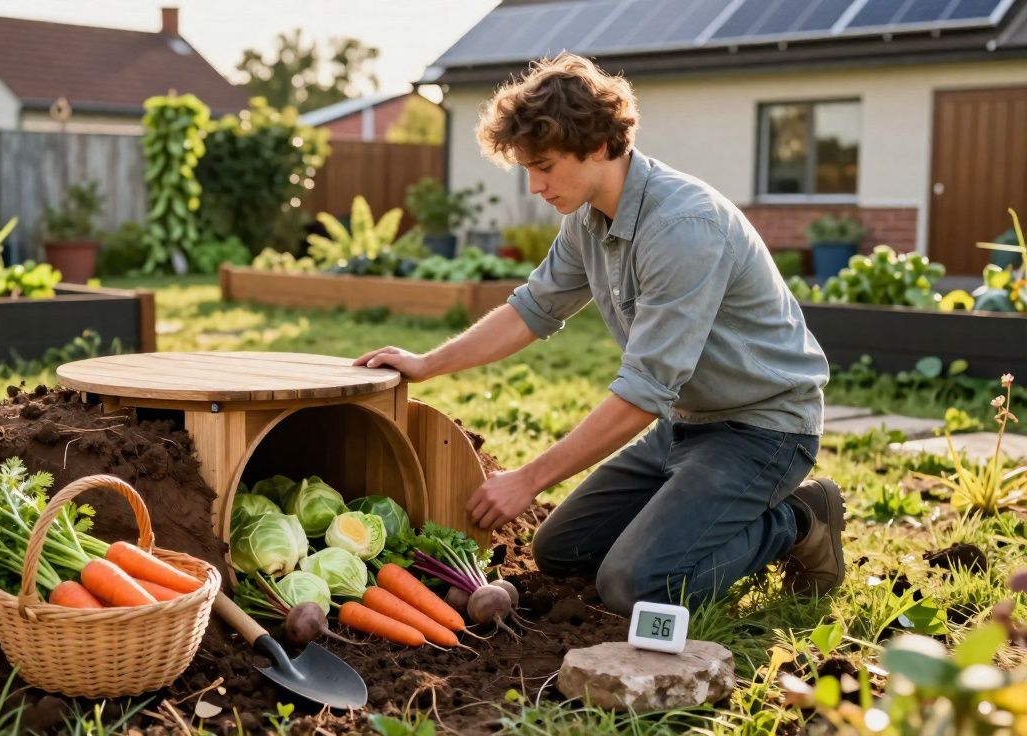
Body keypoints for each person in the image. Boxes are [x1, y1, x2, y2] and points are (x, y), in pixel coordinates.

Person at [354, 54, 843, 616]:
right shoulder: (587, 220)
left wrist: (529, 479)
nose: (535, 186)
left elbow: (644, 390)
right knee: (560, 550)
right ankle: (688, 517)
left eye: (543, 166)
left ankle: (799, 519)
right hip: (687, 426)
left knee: (635, 587)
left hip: (763, 431)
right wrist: (427, 363)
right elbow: (533, 309)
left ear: (598, 146)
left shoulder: (683, 227)